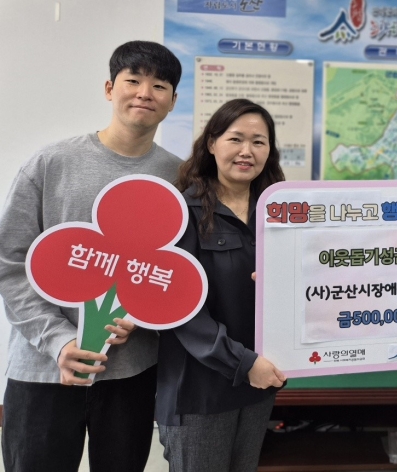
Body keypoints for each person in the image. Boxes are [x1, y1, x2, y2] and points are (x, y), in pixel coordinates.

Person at [0, 41, 182, 471]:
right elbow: (10, 263)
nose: (145, 93)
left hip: (132, 374)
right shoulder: (52, 162)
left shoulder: (180, 177)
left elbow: (179, 273)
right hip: (44, 368)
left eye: (159, 86)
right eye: (133, 80)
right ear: (109, 88)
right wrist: (58, 341)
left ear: (173, 101)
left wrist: (145, 315)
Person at [156, 98, 286, 472]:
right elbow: (178, 307)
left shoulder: (279, 211)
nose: (247, 151)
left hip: (259, 384)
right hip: (200, 391)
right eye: (236, 139)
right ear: (212, 143)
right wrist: (243, 363)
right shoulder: (183, 212)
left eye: (259, 142)